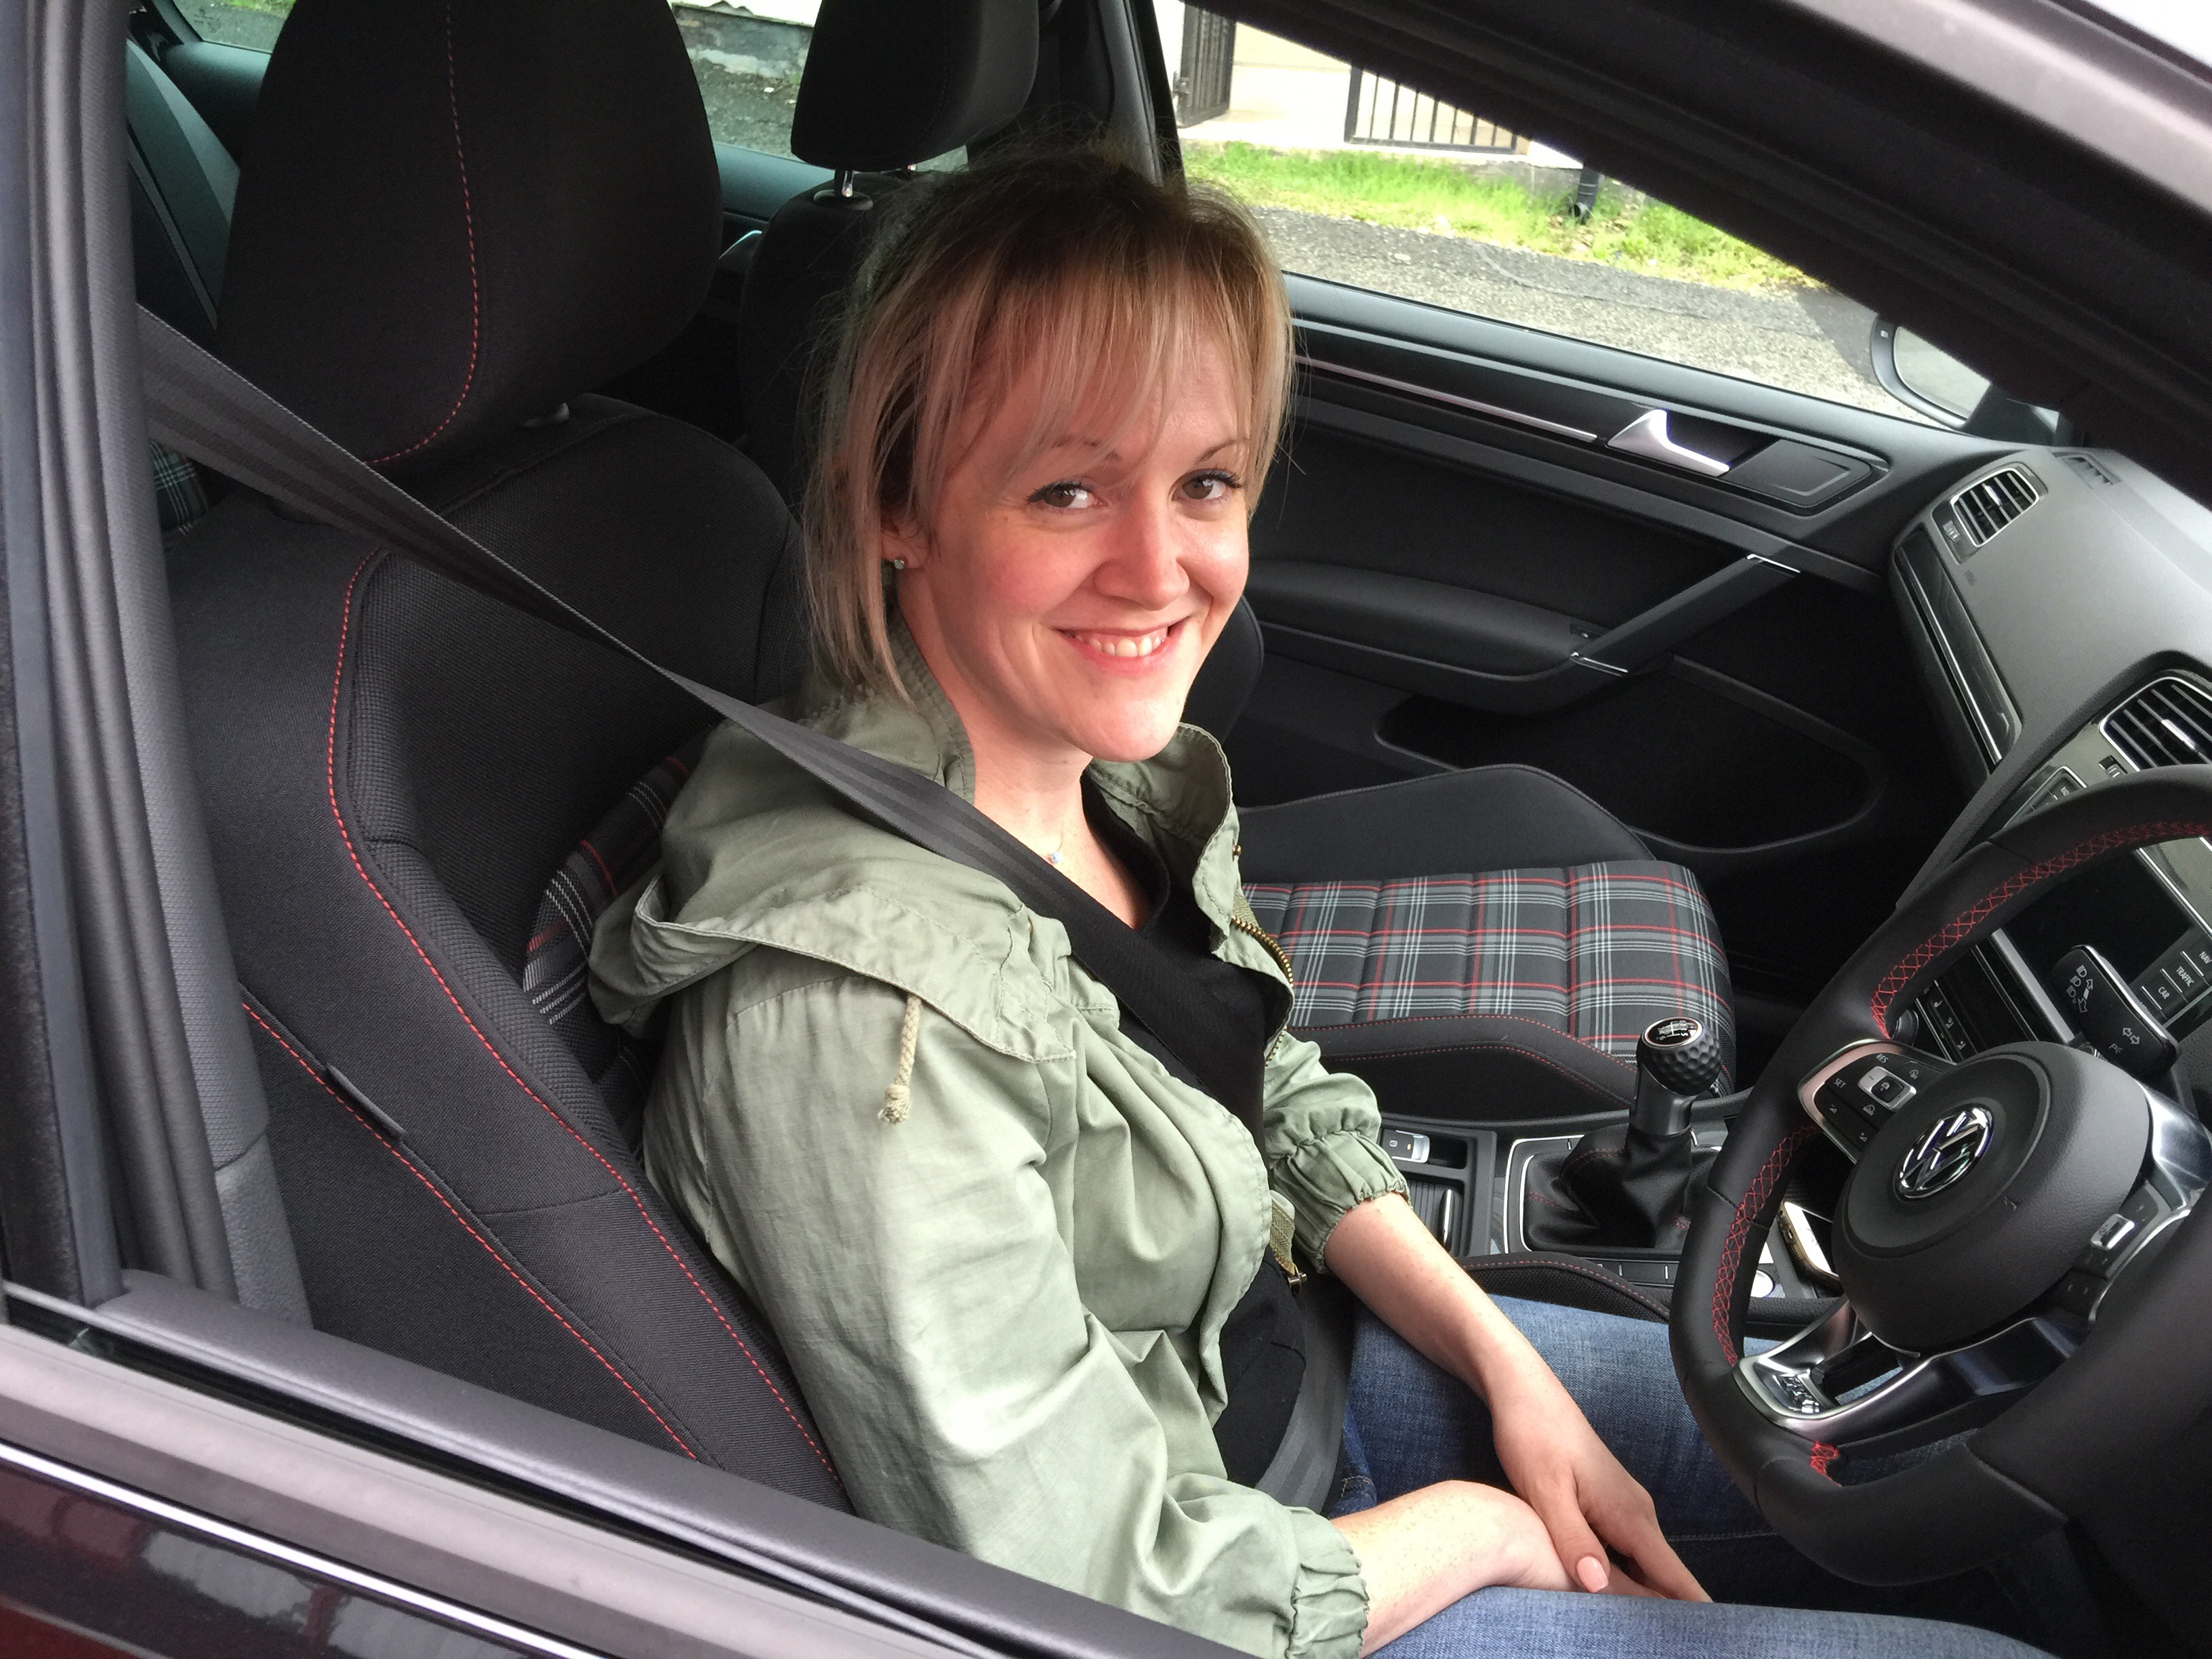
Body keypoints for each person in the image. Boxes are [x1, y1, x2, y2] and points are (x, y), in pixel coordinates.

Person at [588, 146, 2055, 1659]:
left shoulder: (1096, 783)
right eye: (1066, 489)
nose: (1159, 569)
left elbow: (1261, 1076)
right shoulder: (863, 1019)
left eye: (1205, 483)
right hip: (1205, 1596)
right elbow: (1095, 1595)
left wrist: (1508, 1366)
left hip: (1278, 1385)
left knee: (1968, 1485)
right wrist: (1483, 1530)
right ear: (897, 506)